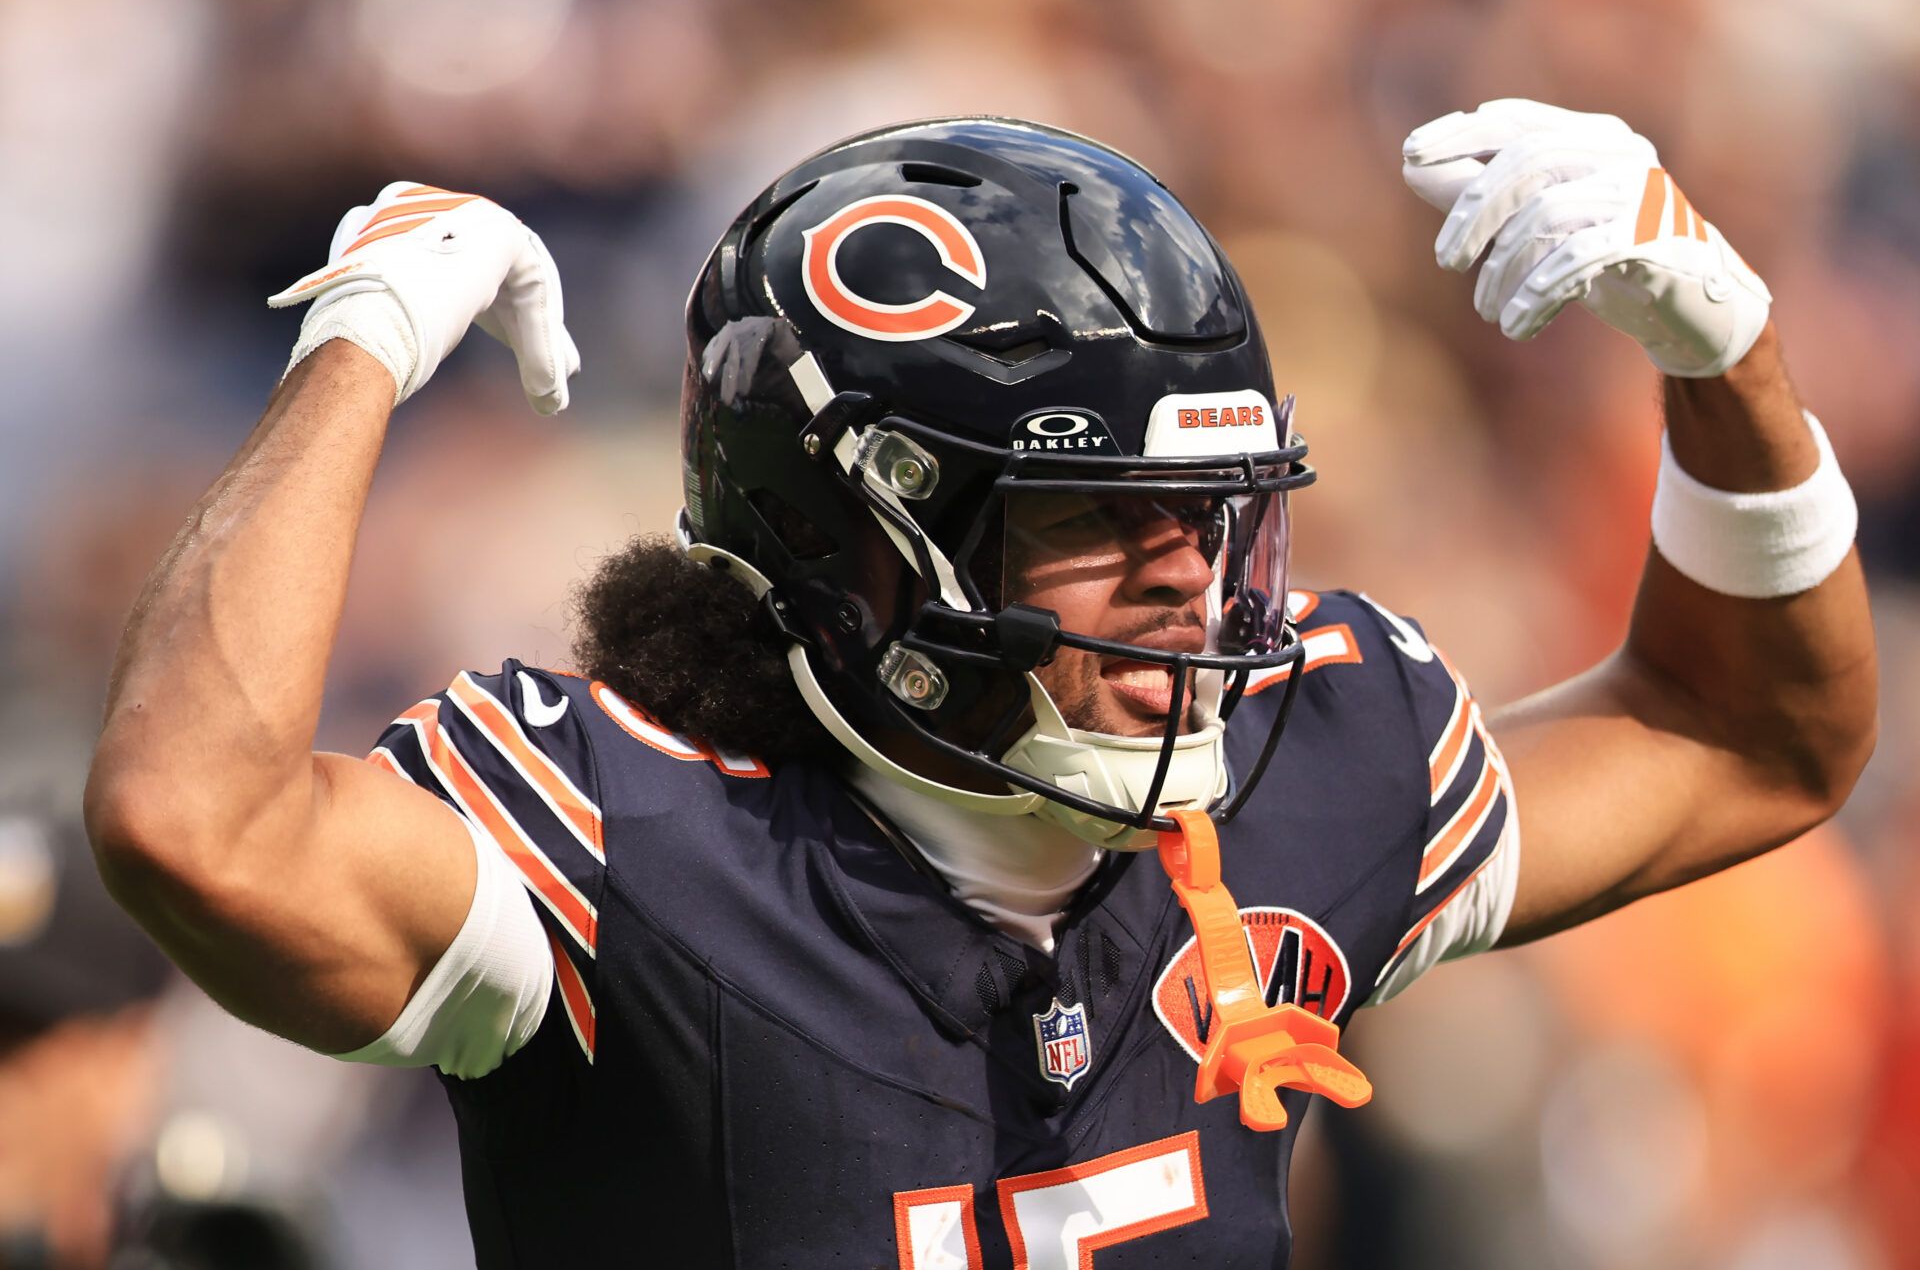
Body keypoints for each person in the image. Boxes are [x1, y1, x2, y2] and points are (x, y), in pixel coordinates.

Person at [84, 101, 1876, 1267]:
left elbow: (1754, 738)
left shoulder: (1301, 772)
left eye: (1214, 519)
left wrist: (1730, 355)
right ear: (849, 543)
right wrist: (362, 350)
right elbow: (193, 817)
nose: (1190, 587)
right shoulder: (616, 842)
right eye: (1101, 521)